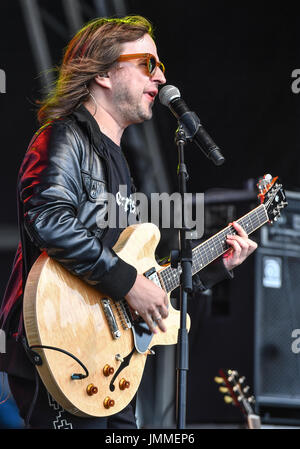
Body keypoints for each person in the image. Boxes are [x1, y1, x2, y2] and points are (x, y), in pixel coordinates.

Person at [0, 15, 257, 429]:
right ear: (103, 72)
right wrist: (130, 283)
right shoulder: (64, 136)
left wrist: (212, 269)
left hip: (111, 365)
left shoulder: (119, 162)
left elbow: (140, 277)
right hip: (63, 344)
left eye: (161, 68)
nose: (160, 78)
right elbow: (47, 218)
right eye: (147, 64)